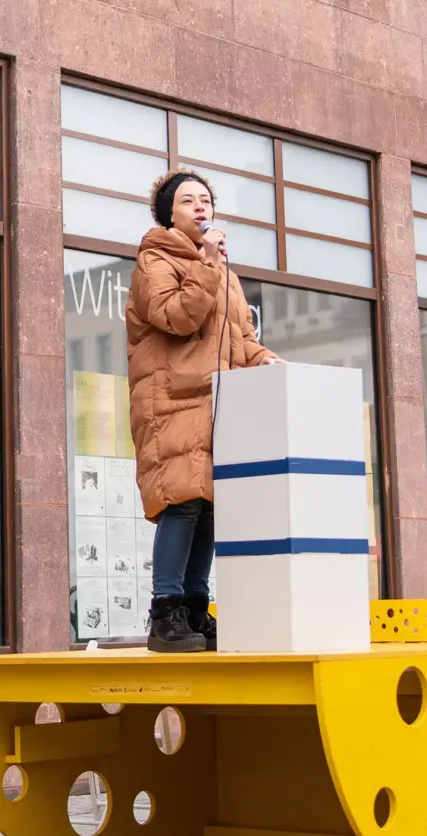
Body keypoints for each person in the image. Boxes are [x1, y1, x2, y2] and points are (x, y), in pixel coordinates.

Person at [126, 170, 279, 653]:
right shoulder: (154, 260)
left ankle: (194, 607)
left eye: (206, 200)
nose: (200, 207)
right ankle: (164, 611)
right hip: (171, 399)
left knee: (211, 505)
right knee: (183, 500)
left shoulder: (225, 275)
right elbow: (176, 316)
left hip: (218, 402)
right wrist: (209, 264)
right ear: (168, 214)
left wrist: (263, 359)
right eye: (188, 200)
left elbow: (241, 338)